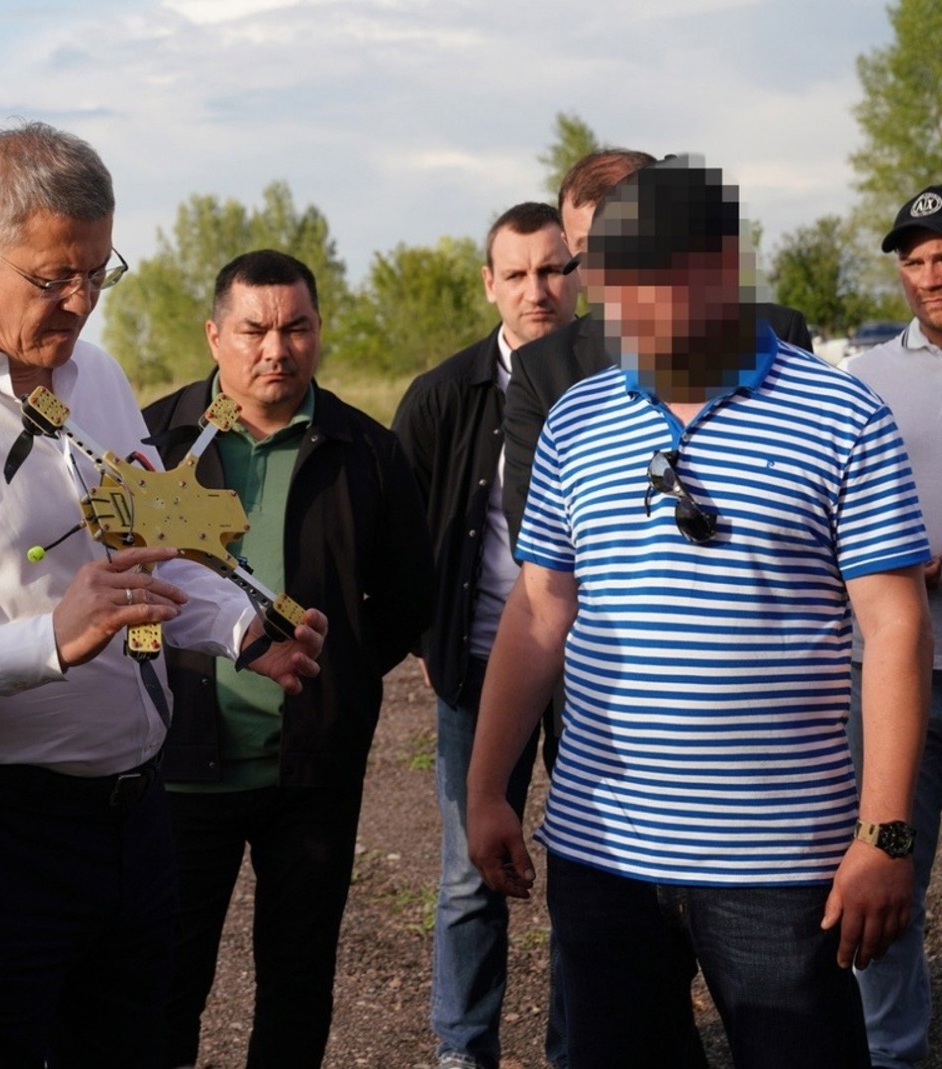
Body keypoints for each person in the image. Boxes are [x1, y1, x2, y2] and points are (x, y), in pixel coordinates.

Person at [0, 123, 325, 1069]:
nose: (82, 301)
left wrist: (238, 629)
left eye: (99, 270)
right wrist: (45, 640)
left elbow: (140, 564)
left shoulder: (99, 377)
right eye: (55, 277)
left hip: (135, 821)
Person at [466, 157, 933, 1069]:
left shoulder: (842, 413)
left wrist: (885, 830)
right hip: (604, 857)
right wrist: (486, 791)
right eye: (613, 292)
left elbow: (895, 627)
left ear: (723, 267)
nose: (631, 319)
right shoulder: (575, 419)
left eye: (657, 289)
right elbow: (537, 613)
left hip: (784, 863)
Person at [140, 249, 433, 1069]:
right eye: (255, 329)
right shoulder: (155, 444)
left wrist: (334, 678)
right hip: (178, 765)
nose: (277, 348)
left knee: (298, 982)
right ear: (214, 335)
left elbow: (409, 595)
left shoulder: (365, 451)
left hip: (310, 770)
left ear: (317, 331)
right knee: (166, 980)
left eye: (296, 327)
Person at [391, 202, 577, 1069]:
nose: (536, 290)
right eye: (518, 273)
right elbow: (402, 532)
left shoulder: (619, 382)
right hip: (478, 658)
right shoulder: (442, 393)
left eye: (554, 269)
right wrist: (430, 637)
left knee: (592, 866)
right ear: (489, 283)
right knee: (470, 871)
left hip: (595, 664)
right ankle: (463, 1049)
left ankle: (584, 1042)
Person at [501, 149, 812, 545]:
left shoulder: (779, 331)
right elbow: (536, 545)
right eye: (591, 252)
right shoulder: (541, 370)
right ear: (567, 244)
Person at [842, 183, 942, 1069]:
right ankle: (894, 1052)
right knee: (886, 864)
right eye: (913, 260)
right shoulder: (866, 381)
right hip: (898, 673)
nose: (929, 274)